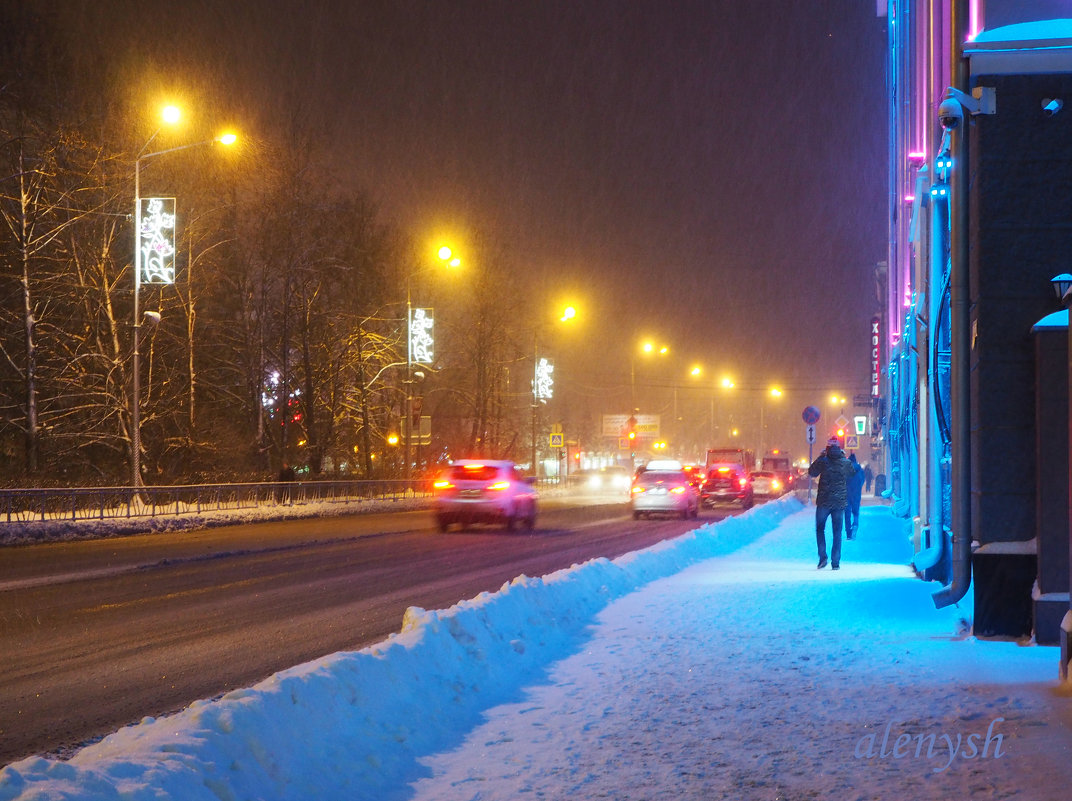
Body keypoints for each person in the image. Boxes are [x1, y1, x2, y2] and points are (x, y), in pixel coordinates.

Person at [808, 439, 856, 570]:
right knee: (837, 532)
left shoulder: (823, 461)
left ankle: (823, 558)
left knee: (820, 529)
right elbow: (852, 473)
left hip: (824, 501)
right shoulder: (845, 462)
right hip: (839, 503)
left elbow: (811, 472)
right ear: (839, 449)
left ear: (827, 448)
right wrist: (844, 458)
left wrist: (820, 456)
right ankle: (835, 562)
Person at [845, 453, 865, 539]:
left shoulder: (845, 469)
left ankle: (848, 533)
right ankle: (856, 524)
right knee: (856, 511)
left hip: (846, 493)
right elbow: (862, 480)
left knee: (847, 513)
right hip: (856, 493)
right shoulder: (860, 470)